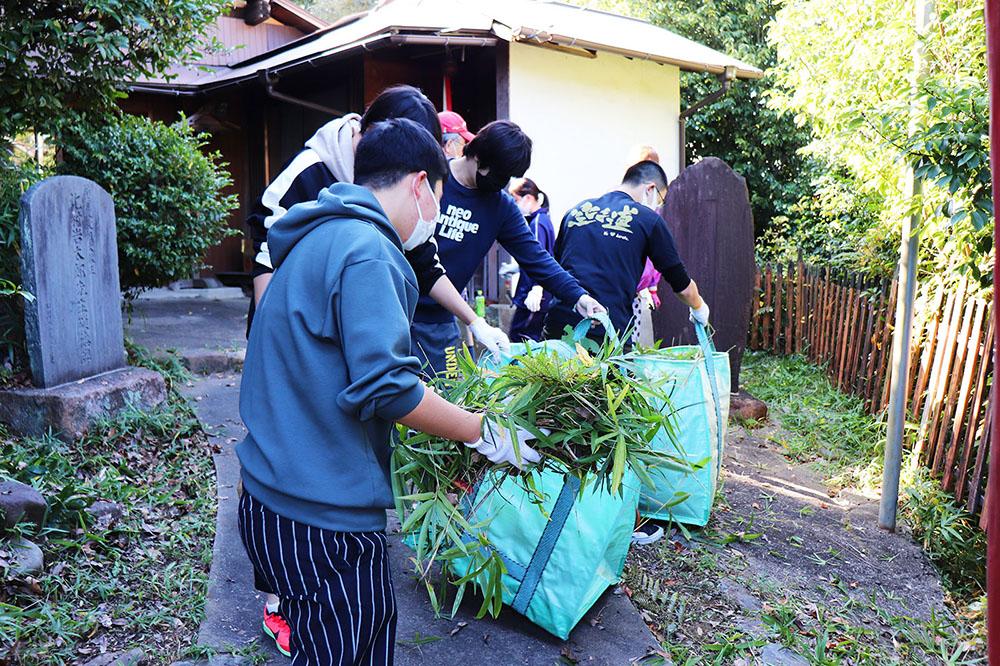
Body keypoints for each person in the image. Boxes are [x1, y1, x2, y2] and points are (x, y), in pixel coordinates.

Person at [237, 118, 541, 665]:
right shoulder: (368, 251)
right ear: (420, 185)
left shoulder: (318, 233)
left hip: (269, 493)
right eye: (438, 199)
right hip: (321, 515)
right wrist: (483, 431)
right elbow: (388, 387)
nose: (434, 219)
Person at [245, 85, 508, 351]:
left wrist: (475, 322)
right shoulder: (312, 169)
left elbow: (425, 261)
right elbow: (267, 247)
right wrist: (271, 333)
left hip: (344, 330)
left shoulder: (398, 184)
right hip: (293, 324)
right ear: (377, 132)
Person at [408, 120, 604, 376]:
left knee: (444, 389)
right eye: (500, 175)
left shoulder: (500, 206)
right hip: (400, 308)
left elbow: (537, 258)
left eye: (508, 177)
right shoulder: (433, 178)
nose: (502, 184)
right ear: (478, 156)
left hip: (442, 319)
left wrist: (579, 296)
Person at [543, 160, 709, 342]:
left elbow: (555, 269)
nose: (657, 206)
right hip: (606, 333)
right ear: (650, 189)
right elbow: (682, 287)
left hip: (557, 328)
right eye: (660, 200)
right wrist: (699, 307)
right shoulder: (648, 220)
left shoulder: (576, 211)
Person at [507, 178, 556, 342]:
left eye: (515, 200)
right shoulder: (543, 219)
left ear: (528, 198)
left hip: (534, 296)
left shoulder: (537, 223)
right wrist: (516, 268)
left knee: (521, 339)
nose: (514, 205)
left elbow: (538, 259)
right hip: (538, 294)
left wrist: (536, 288)